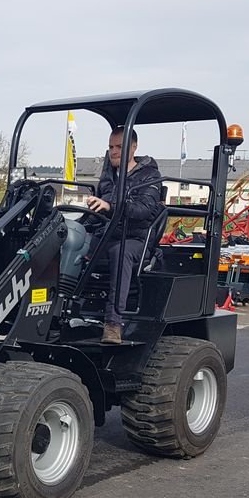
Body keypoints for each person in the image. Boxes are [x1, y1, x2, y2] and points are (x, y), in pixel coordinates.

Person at [85, 126, 163, 344]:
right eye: (111, 147)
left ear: (134, 147)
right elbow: (97, 212)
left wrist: (111, 206)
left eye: (119, 146)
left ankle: (113, 323)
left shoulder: (149, 176)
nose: (114, 151)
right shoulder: (108, 176)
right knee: (70, 241)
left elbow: (143, 210)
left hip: (136, 238)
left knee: (120, 253)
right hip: (107, 234)